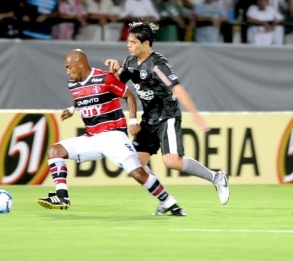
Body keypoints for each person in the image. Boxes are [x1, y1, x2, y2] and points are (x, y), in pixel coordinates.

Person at [37, 49, 186, 216]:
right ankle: (62, 196)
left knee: (137, 172)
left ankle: (169, 202)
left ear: (80, 64)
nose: (67, 72)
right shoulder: (73, 82)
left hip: (114, 136)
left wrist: (132, 121)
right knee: (54, 151)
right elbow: (79, 94)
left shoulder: (104, 78)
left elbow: (129, 96)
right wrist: (72, 109)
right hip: (91, 137)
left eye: (69, 67)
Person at [105, 22, 230, 208]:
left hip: (167, 115)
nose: (128, 45)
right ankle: (166, 201)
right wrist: (113, 72)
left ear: (146, 43)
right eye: (128, 41)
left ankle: (217, 177)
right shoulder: (130, 62)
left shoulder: (158, 65)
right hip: (149, 118)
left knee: (171, 161)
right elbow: (118, 87)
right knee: (135, 165)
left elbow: (177, 88)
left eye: (132, 42)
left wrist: (195, 115)